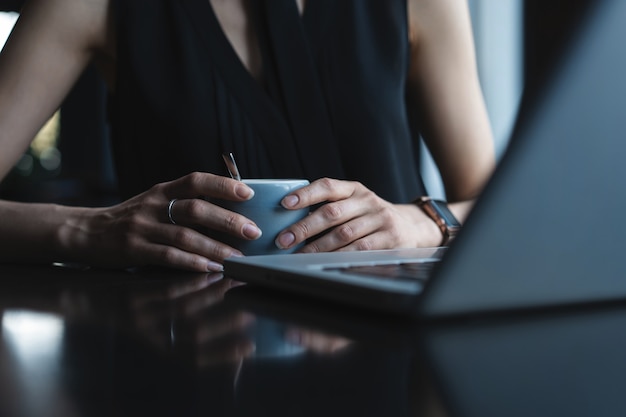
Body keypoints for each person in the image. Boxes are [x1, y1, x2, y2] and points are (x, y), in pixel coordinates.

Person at [0, 0, 495, 272]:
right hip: (185, 368)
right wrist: (88, 229)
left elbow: (501, 205)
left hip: (396, 357)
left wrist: (423, 222)